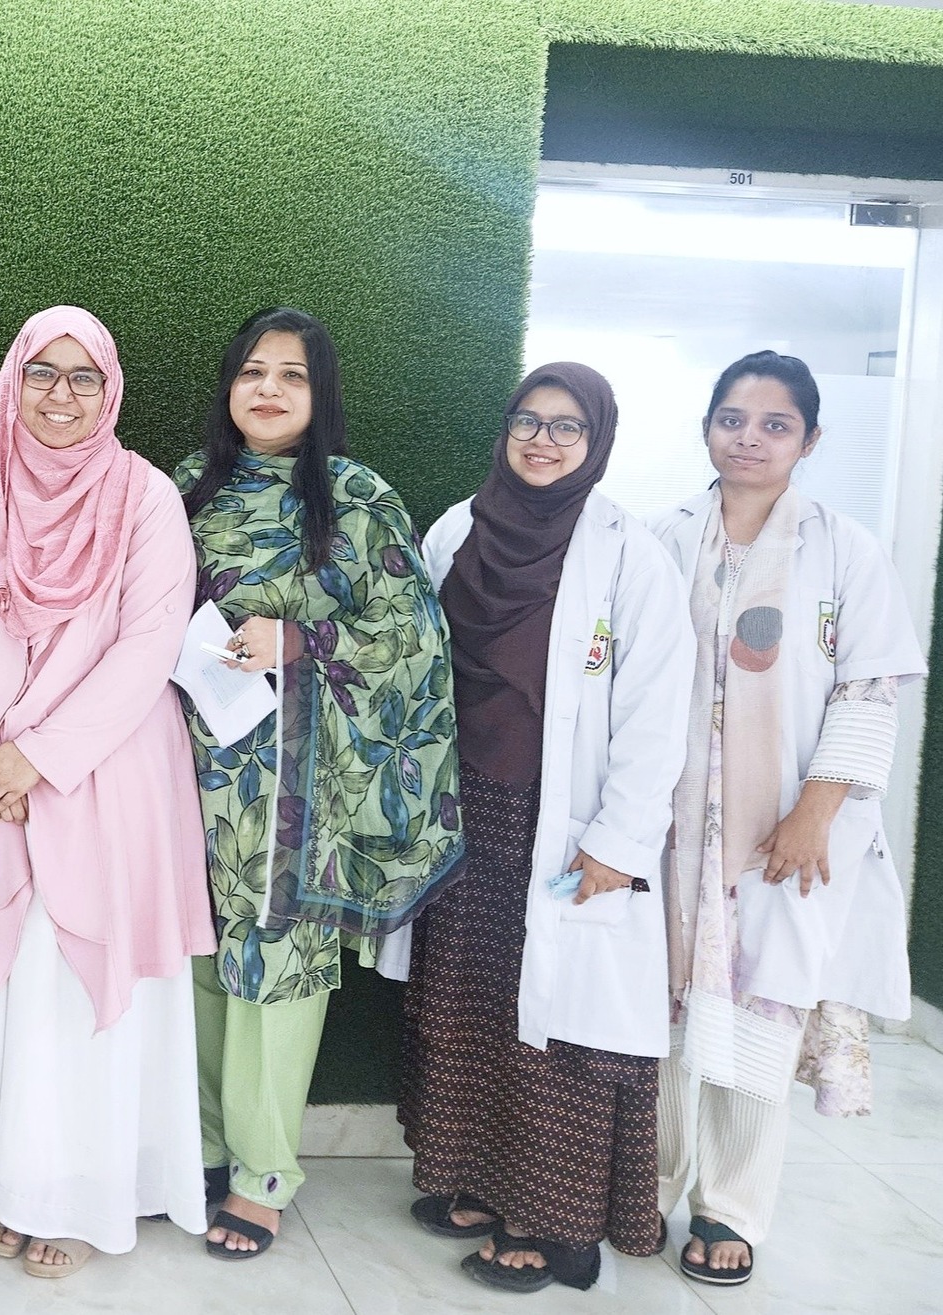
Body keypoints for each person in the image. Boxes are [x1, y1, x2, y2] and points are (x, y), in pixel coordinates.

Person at [0, 306, 214, 1279]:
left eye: (84, 377)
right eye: (43, 372)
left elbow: (149, 644)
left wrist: (37, 756)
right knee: (6, 979)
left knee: (73, 988)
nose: (61, 394)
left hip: (102, 773)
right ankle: (1, 1174)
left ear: (109, 391)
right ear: (14, 380)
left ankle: (77, 1195)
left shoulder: (145, 496)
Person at [382, 362, 693, 1293]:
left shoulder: (630, 554)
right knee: (470, 1004)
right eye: (528, 420)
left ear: (597, 440)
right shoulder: (456, 530)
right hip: (463, 811)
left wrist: (618, 841)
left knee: (555, 1024)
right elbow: (411, 661)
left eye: (567, 426)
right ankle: (478, 1181)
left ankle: (550, 1219)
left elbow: (656, 710)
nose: (543, 440)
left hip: (564, 826)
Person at [177, 307, 463, 1259]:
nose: (268, 389)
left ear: (320, 394)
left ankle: (262, 1174)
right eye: (253, 371)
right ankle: (201, 1148)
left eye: (292, 376)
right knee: (196, 958)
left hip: (299, 781)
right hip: (184, 769)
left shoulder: (355, 496)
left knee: (276, 967)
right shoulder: (187, 488)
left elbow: (415, 638)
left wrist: (301, 638)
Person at [647, 351, 924, 1288]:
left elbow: (869, 687)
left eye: (776, 425)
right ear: (706, 427)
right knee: (661, 1008)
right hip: (673, 820)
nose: (750, 439)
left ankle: (729, 1205)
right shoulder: (662, 537)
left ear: (810, 440)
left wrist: (816, 808)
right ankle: (647, 1184)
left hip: (784, 832)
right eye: (732, 418)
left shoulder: (845, 549)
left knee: (760, 1010)